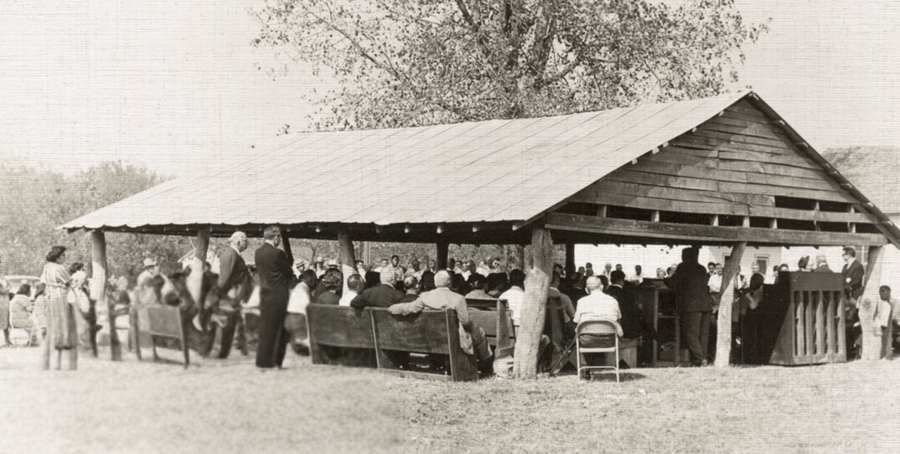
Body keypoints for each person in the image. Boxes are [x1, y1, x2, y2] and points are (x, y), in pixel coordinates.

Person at [388, 270, 491, 362]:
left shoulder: (424, 297)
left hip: (430, 336)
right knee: (480, 332)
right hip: (453, 337)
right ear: (449, 282)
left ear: (435, 282)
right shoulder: (458, 298)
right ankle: (486, 363)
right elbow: (466, 322)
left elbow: (408, 308)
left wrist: (391, 308)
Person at [255, 226, 295, 369]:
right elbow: (289, 272)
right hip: (278, 295)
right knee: (279, 329)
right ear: (277, 237)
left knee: (266, 329)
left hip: (265, 295)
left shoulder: (258, 253)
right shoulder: (278, 254)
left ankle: (262, 361)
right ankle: (276, 361)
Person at [664, 247, 710, 367]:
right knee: (702, 335)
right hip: (705, 305)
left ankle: (700, 359)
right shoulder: (702, 268)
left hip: (692, 306)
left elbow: (673, 282)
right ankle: (701, 358)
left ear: (685, 256)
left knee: (691, 333)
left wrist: (665, 280)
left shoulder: (683, 266)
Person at [214, 231, 252, 358]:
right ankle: (224, 352)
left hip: (237, 296)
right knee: (230, 325)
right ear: (239, 241)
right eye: (245, 241)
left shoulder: (234, 255)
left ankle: (242, 347)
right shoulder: (231, 255)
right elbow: (225, 279)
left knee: (238, 323)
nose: (247, 244)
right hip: (233, 297)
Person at [40, 245, 78, 370]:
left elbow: (43, 282)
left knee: (53, 326)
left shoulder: (47, 267)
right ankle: (61, 358)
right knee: (63, 326)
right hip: (60, 297)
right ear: (57, 257)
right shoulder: (59, 268)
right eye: (63, 255)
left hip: (50, 298)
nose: (64, 258)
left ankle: (50, 360)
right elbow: (70, 282)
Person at [842, 246, 865, 360]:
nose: (842, 256)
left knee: (853, 322)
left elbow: (856, 281)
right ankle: (848, 348)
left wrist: (848, 285)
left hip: (854, 297)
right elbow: (842, 279)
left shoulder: (858, 266)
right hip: (846, 297)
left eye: (843, 254)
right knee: (846, 322)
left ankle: (855, 350)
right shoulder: (845, 267)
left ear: (848, 254)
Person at [0, 259, 10, 347]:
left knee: (5, 319)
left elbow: (8, 285)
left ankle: (7, 340)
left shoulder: (2, 276)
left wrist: (7, 289)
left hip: (4, 301)